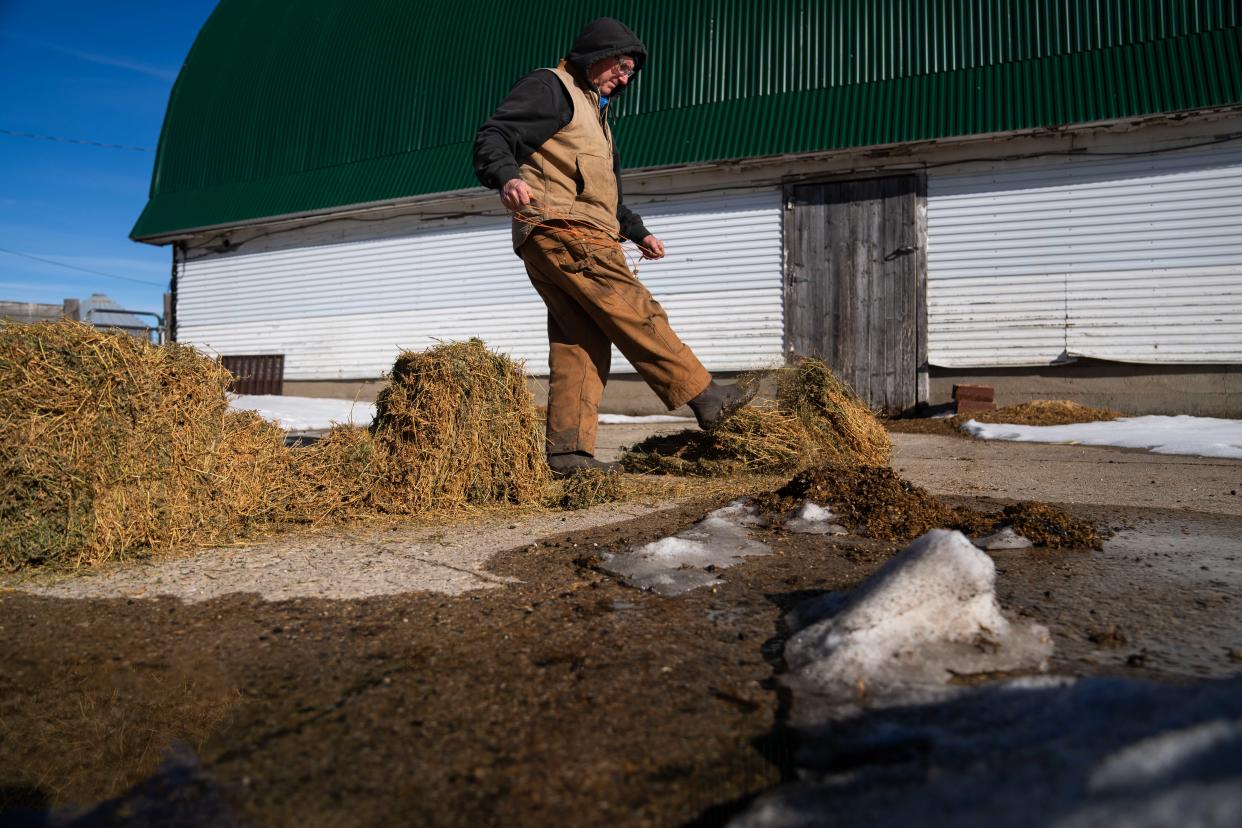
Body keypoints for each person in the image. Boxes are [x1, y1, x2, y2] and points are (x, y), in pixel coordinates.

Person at [473, 17, 753, 478]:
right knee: (634, 308)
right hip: (563, 228)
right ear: (594, 54)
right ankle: (708, 398)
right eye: (621, 66)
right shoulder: (552, 88)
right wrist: (507, 176)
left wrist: (638, 232)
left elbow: (610, 196)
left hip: (570, 232)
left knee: (580, 342)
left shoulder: (596, 117)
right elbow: (495, 135)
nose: (625, 78)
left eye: (631, 73)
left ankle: (569, 455)